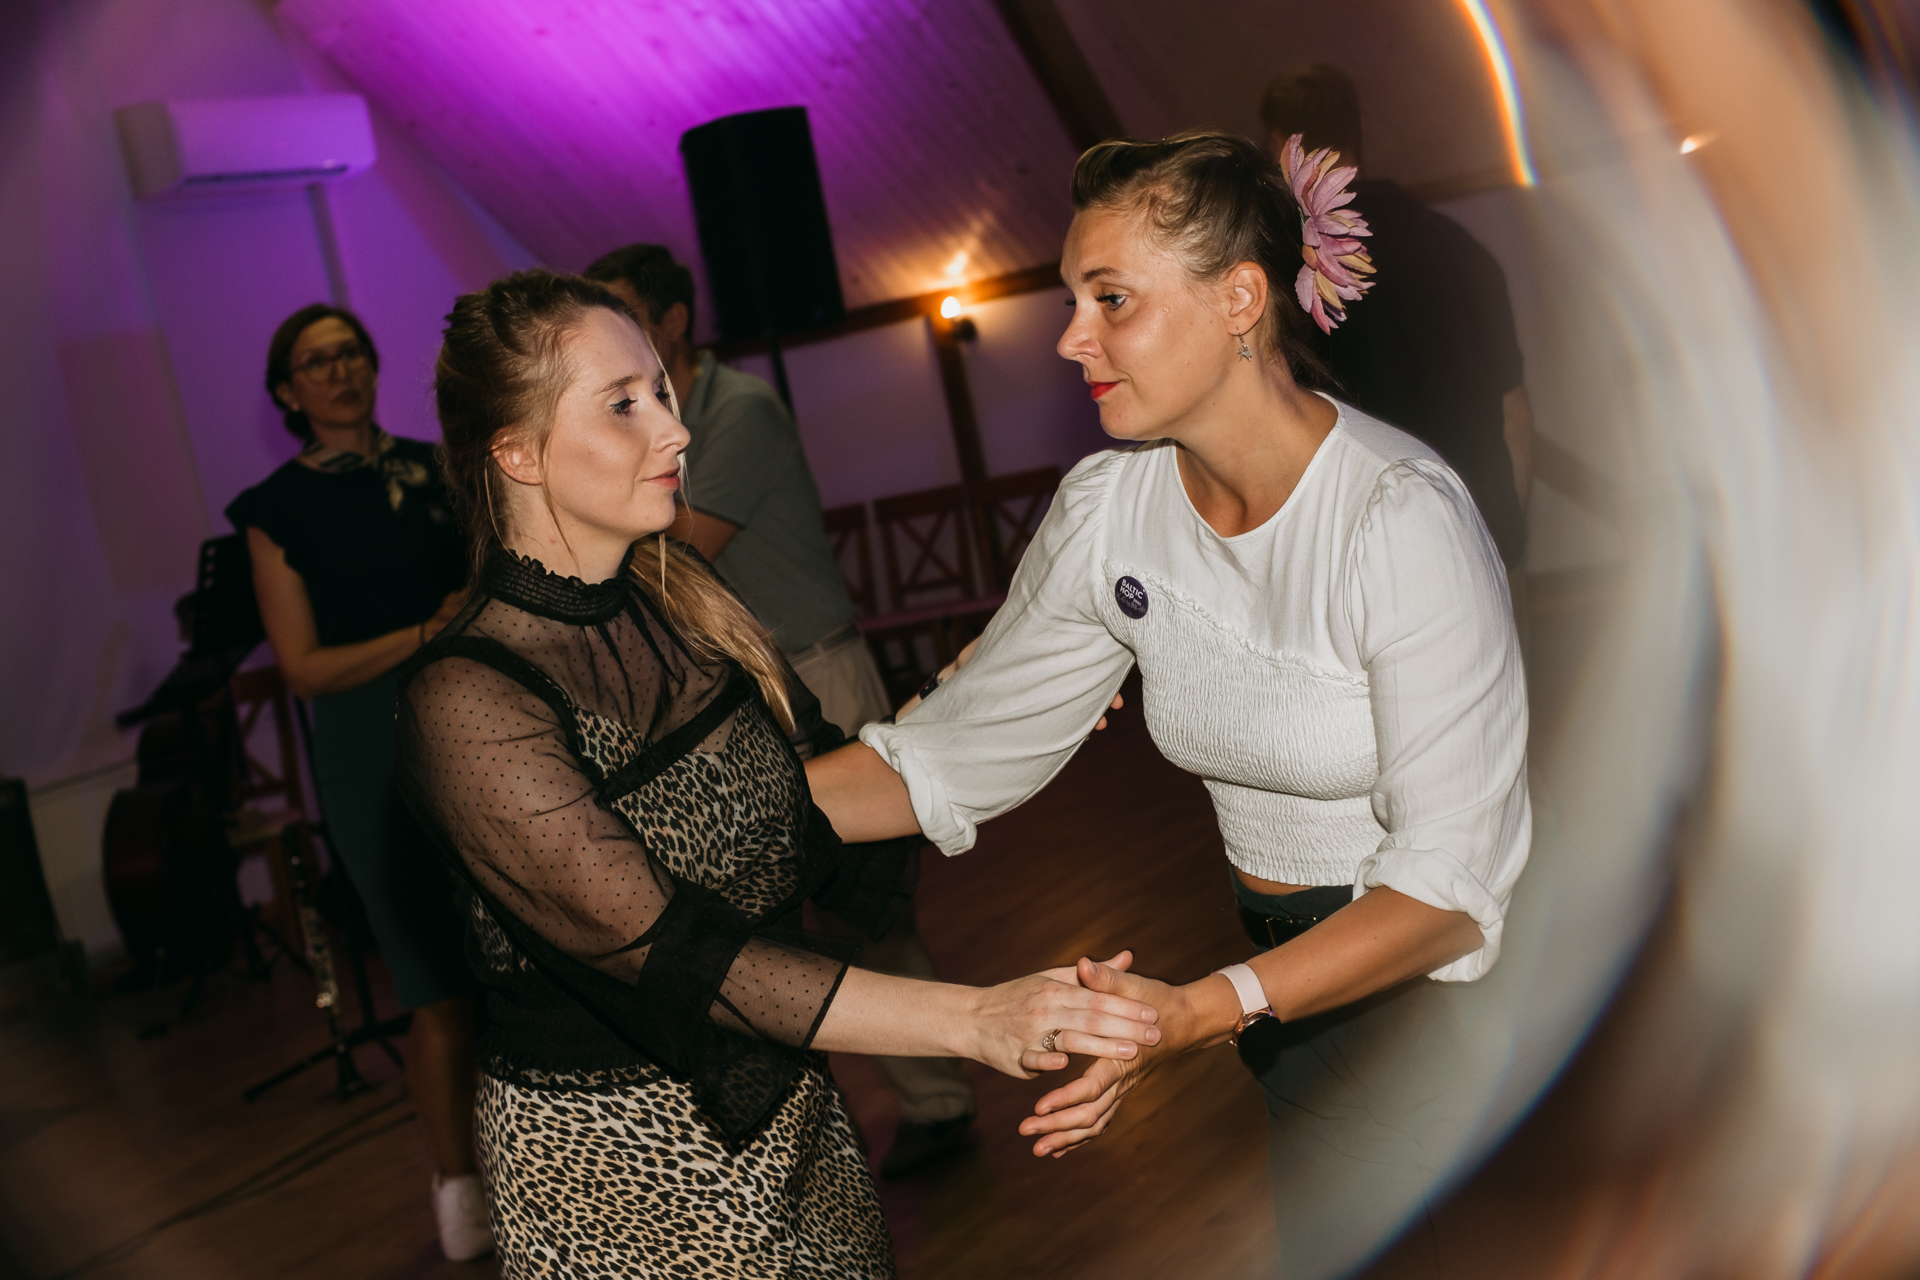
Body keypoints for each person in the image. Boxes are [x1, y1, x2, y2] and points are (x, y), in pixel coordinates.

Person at [806, 132, 1531, 1275]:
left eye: (1110, 299)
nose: (1069, 337)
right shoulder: (1113, 511)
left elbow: (1448, 892)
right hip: (1285, 1004)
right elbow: (950, 753)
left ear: (1240, 298)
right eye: (1071, 300)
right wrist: (673, 815)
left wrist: (1197, 1010)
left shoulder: (1398, 518)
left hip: (1424, 1007)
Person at [392, 269, 1161, 1277]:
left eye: (662, 392)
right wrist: (976, 1019)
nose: (674, 431)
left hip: (789, 1113)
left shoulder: (681, 598)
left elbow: (801, 803)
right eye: (624, 405)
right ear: (517, 453)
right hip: (616, 1166)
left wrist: (990, 702)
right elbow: (678, 954)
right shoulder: (467, 697)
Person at [582, 243, 980, 1175]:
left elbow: (677, 548)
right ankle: (802, 1122)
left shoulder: (740, 409)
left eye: (624, 315)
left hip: (811, 669)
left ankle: (939, 1098)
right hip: (736, 692)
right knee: (758, 914)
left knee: (860, 906)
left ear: (673, 322)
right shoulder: (660, 420)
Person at [227, 304, 489, 1261]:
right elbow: (301, 667)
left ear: (374, 366)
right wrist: (422, 632)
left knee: (517, 957)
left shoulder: (436, 468)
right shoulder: (274, 510)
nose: (338, 371)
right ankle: (459, 1185)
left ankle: (547, 1162)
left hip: (474, 727)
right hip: (367, 750)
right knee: (435, 983)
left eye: (350, 353)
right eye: (315, 362)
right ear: (287, 392)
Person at [1261, 63, 1536, 580]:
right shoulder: (1462, 251)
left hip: (1366, 572)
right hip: (1479, 551)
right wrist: (1507, 551)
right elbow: (1515, 417)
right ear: (1360, 131)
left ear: (1280, 146)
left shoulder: (1285, 277)